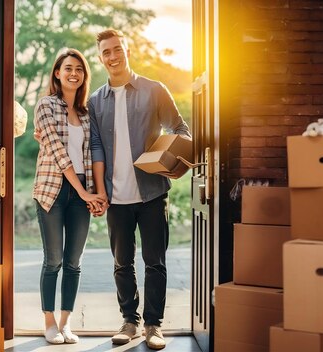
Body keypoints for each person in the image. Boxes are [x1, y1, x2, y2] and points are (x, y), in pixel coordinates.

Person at [88, 29, 191, 350]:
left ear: (126, 50)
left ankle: (153, 325)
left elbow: (180, 128)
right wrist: (98, 188)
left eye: (117, 49)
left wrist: (172, 163)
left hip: (151, 193)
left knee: (155, 261)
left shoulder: (153, 90)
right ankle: (129, 321)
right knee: (122, 263)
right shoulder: (95, 101)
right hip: (115, 197)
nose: (113, 56)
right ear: (101, 57)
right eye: (106, 52)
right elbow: (94, 147)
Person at [32, 48, 107, 345]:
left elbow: (94, 154)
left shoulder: (88, 115)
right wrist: (84, 192)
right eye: (68, 68)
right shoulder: (45, 105)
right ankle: (48, 322)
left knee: (73, 261)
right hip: (53, 191)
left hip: (82, 194)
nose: (73, 73)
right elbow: (59, 153)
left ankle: (65, 322)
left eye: (79, 69)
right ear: (57, 73)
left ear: (83, 75)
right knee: (53, 260)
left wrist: (97, 195)